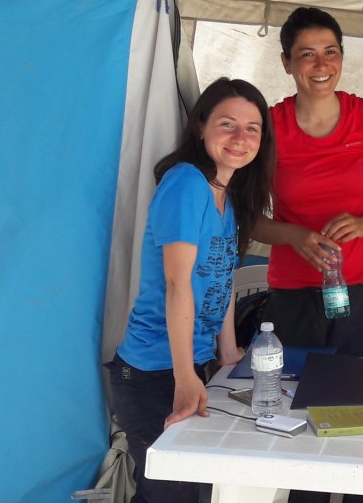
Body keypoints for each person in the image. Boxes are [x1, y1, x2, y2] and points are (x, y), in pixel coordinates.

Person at [106, 77, 274, 503]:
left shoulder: (228, 196)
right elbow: (177, 283)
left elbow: (222, 279)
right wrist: (184, 376)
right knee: (169, 493)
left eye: (252, 128)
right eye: (227, 124)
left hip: (193, 365)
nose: (240, 138)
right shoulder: (186, 183)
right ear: (200, 127)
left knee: (192, 491)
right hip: (152, 372)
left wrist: (228, 354)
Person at [254, 7, 363, 359]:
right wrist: (294, 236)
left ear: (341, 56)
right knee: (289, 393)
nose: (322, 65)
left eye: (330, 52)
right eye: (307, 54)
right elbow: (249, 219)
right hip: (294, 296)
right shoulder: (269, 127)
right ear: (286, 62)